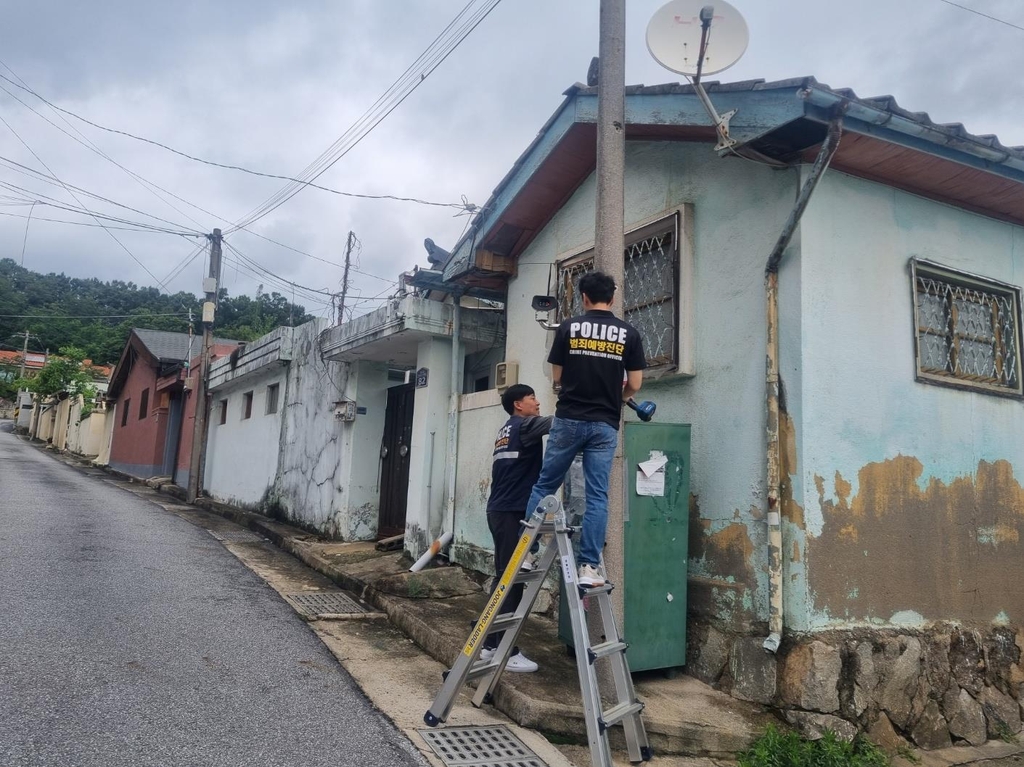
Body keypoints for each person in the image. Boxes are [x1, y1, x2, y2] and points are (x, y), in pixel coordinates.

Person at [524, 270, 645, 588]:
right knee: (597, 496)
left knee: (545, 484)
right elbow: (634, 384)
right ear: (613, 297)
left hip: (569, 419)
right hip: (604, 424)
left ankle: (527, 552)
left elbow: (558, 378)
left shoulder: (568, 328)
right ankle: (589, 567)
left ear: (584, 298)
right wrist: (616, 397)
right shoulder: (629, 334)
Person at [481, 383, 552, 673]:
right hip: (511, 512)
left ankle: (490, 644)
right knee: (511, 580)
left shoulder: (506, 430)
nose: (537, 402)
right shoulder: (525, 426)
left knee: (507, 577)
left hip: (501, 510)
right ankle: (504, 650)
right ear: (518, 405)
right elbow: (558, 424)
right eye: (532, 397)